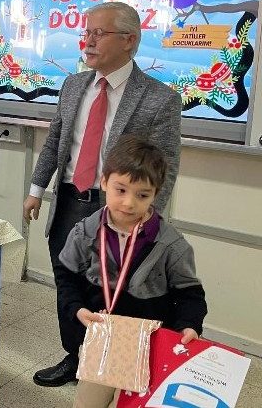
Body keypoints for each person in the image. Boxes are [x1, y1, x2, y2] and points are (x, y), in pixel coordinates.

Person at [22, 1, 182, 387]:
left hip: (116, 209)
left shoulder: (159, 98)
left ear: (129, 40)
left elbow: (165, 167)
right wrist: (36, 190)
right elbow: (56, 141)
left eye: (99, 33)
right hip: (68, 201)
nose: (88, 41)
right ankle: (75, 356)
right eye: (86, 32)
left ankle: (109, 364)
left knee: (111, 290)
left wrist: (144, 223)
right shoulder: (73, 85)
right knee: (69, 283)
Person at [57, 135, 207, 407]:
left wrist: (189, 325)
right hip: (101, 343)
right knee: (88, 403)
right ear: (104, 182)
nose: (128, 203)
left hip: (148, 346)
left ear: (156, 194)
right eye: (121, 190)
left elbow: (190, 295)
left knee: (135, 403)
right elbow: (66, 277)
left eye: (142, 195)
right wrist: (76, 309)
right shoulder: (84, 233)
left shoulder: (171, 245)